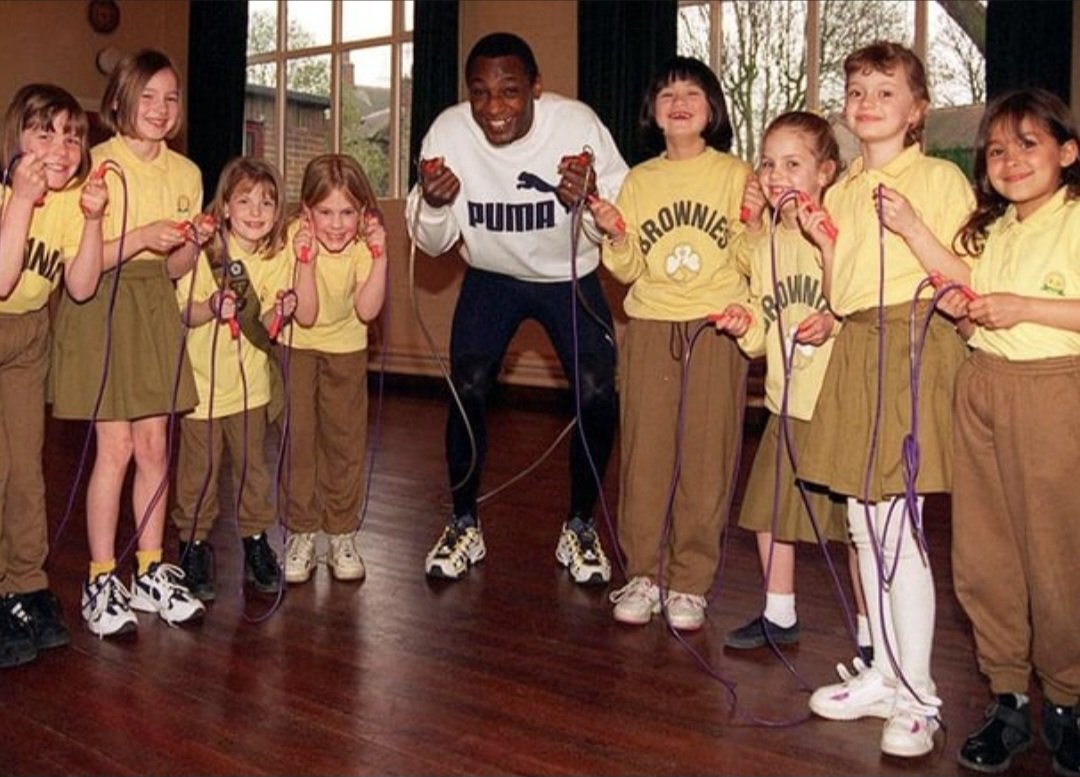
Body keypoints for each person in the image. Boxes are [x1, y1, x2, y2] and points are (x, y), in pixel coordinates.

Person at [795, 42, 974, 758]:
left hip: (914, 343)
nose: (868, 102)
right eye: (857, 90)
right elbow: (842, 297)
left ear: (917, 110)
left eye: (886, 91)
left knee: (901, 526)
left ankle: (920, 694)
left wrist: (912, 226)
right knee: (865, 525)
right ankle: (882, 672)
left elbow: (964, 278)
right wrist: (822, 241)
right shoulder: (839, 193)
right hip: (860, 345)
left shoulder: (937, 179)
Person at [406, 32, 627, 584]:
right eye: (480, 93)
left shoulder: (576, 125)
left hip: (567, 275)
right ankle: (463, 522)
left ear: (536, 88)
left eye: (509, 91)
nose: (494, 108)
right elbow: (431, 241)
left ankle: (579, 525)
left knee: (598, 393)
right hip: (492, 276)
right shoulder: (450, 132)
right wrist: (434, 205)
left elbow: (623, 211)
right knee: (468, 385)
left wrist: (594, 200)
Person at [940, 88, 1080, 777]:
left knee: (1054, 550)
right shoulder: (987, 231)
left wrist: (1025, 305)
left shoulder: (1077, 219)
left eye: (1028, 143)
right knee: (984, 551)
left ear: (1068, 150)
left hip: (1055, 389)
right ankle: (1008, 696)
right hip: (982, 387)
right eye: (996, 149)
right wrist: (962, 312)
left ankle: (1067, 697)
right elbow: (977, 322)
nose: (1010, 159)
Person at [50, 50, 209, 637]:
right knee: (113, 450)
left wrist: (192, 242)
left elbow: (174, 271)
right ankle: (99, 577)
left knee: (155, 449)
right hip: (101, 308)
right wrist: (142, 235)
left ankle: (149, 569)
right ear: (118, 101)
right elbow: (81, 266)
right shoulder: (95, 163)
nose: (161, 109)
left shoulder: (187, 174)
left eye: (170, 98)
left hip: (153, 309)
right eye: (147, 96)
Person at [588, 56, 750, 630]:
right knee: (646, 454)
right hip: (652, 325)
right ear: (653, 114)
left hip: (715, 327)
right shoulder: (640, 180)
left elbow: (753, 260)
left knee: (707, 456)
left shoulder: (737, 175)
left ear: (713, 109)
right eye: (666, 95)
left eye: (692, 93)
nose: (679, 102)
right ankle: (644, 574)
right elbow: (628, 269)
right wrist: (614, 232)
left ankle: (690, 583)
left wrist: (755, 225)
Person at [713, 111, 870, 658]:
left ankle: (873, 634)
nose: (777, 175)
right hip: (785, 401)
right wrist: (744, 324)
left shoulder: (840, 230)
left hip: (837, 403)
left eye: (793, 164)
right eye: (768, 163)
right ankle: (779, 614)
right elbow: (761, 330)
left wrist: (834, 317)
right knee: (768, 511)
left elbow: (860, 300)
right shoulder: (765, 245)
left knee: (856, 527)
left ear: (826, 171)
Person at [172, 157, 316, 601]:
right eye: (245, 201)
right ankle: (193, 545)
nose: (256, 212)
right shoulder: (205, 255)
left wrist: (282, 311)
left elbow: (266, 327)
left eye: (267, 203)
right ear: (226, 207)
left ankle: (256, 541)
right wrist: (210, 308)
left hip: (252, 388)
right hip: (203, 389)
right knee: (200, 471)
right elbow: (185, 311)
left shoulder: (276, 259)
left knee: (254, 471)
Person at [0, 84, 108, 666]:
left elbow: (83, 285)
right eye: (44, 132)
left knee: (26, 470)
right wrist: (19, 200)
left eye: (72, 135)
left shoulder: (68, 203)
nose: (61, 148)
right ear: (15, 139)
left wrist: (91, 221)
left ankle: (27, 583)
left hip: (27, 340)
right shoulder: (7, 192)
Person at [278, 154, 386, 586]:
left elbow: (367, 308)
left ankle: (340, 532)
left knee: (344, 442)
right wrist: (305, 261)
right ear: (307, 211)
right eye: (325, 212)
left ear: (363, 213)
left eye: (347, 212)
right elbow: (305, 316)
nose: (337, 224)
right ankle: (302, 531)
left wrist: (381, 258)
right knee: (300, 440)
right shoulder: (292, 238)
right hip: (298, 348)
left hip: (346, 350)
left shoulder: (362, 247)